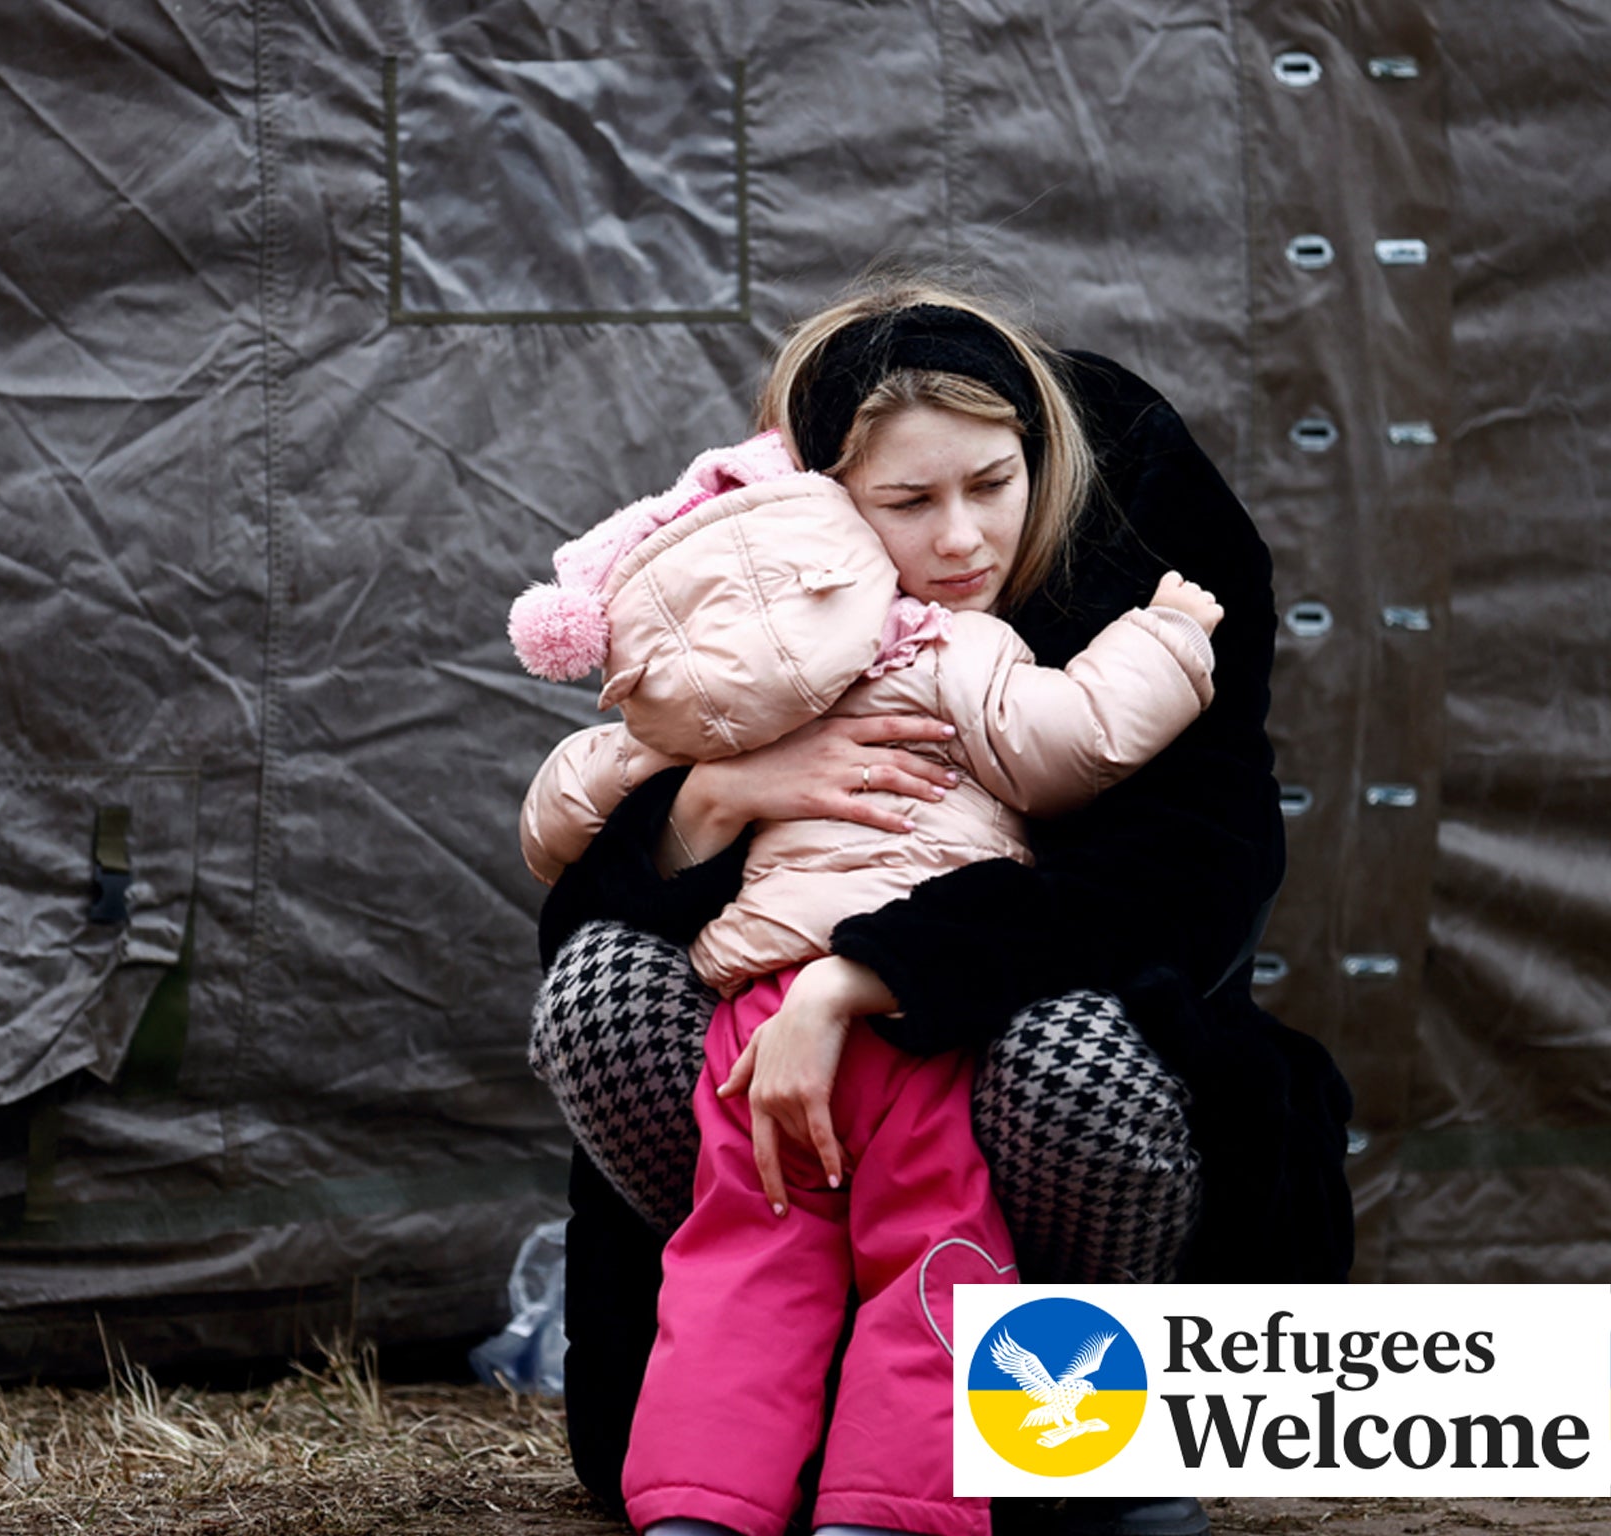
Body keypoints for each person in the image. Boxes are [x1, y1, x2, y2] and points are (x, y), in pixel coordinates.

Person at [526, 278, 1355, 1536]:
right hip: (770, 1067)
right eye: (907, 504)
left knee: (1067, 1071)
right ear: (826, 507)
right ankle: (740, 1436)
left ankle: (1066, 1438)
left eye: (989, 487)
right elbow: (574, 865)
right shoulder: (776, 613)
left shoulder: (1109, 574)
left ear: (1037, 463)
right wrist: (717, 799)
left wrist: (864, 975)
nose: (960, 537)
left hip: (1001, 1044)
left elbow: (1182, 880)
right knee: (598, 994)